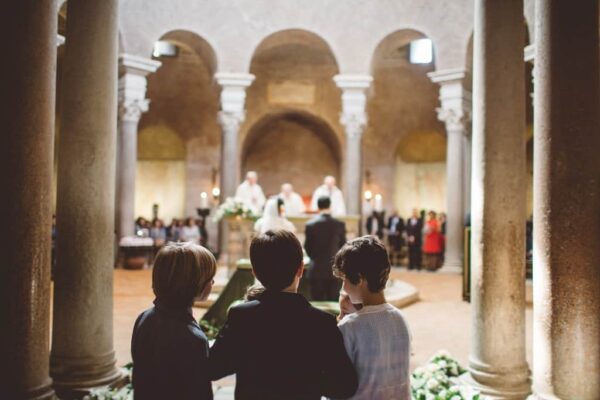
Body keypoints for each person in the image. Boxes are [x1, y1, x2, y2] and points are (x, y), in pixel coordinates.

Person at [209, 230, 358, 400]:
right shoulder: (322, 322)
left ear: (255, 273)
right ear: (301, 269)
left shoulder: (242, 316)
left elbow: (214, 368)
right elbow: (344, 387)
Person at [131, 242, 217, 400]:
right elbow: (200, 393)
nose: (212, 283)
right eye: (210, 278)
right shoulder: (193, 339)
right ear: (196, 283)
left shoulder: (144, 317)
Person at [334, 236, 411, 400]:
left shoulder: (349, 327)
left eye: (344, 279)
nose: (344, 287)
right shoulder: (400, 319)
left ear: (359, 279)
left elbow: (339, 387)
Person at [304, 196, 347, 301]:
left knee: (317, 305)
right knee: (333, 305)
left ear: (318, 207)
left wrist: (315, 257)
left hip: (316, 270)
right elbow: (343, 247)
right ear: (329, 206)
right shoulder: (339, 224)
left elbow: (307, 247)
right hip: (334, 271)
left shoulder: (310, 224)